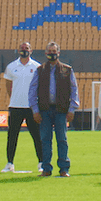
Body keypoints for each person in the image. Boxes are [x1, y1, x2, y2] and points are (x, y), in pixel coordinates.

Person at [29, 41, 78, 177]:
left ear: (59, 53)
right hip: (44, 110)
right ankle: (46, 168)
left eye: (54, 51)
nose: (52, 54)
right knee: (45, 140)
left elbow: (74, 90)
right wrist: (35, 110)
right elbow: (32, 91)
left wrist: (72, 109)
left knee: (62, 139)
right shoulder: (40, 70)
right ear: (45, 53)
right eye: (49, 51)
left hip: (61, 110)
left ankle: (64, 169)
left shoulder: (67, 70)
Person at [2, 41, 42, 172]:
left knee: (37, 136)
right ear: (18, 50)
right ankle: (9, 163)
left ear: (31, 50)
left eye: (27, 48)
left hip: (32, 107)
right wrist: (15, 98)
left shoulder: (37, 66)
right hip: (15, 107)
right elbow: (8, 85)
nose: (24, 50)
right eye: (22, 48)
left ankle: (41, 162)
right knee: (12, 136)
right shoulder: (11, 66)